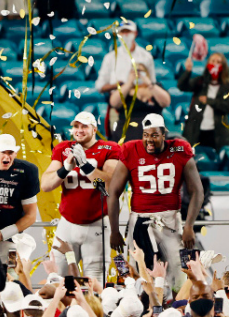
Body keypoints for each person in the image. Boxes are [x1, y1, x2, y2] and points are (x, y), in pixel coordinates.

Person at [107, 113, 204, 290]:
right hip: (140, 219)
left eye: (154, 135)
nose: (149, 140)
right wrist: (114, 230)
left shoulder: (179, 149)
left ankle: (178, 308)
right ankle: (144, 309)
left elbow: (197, 190)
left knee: (179, 269)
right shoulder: (130, 150)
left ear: (164, 135)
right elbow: (113, 192)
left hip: (171, 219)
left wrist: (189, 226)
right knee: (140, 270)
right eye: (145, 135)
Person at [41, 112, 120, 284]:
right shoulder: (63, 148)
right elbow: (46, 185)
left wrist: (86, 167)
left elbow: (110, 186)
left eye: (84, 126)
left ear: (94, 129)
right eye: (76, 126)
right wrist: (65, 168)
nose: (79, 130)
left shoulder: (109, 148)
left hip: (97, 224)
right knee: (57, 280)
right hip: (67, 224)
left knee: (95, 282)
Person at [95, 20, 156, 138]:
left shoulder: (146, 56)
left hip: (141, 106)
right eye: (122, 32)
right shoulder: (110, 58)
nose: (126, 35)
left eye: (128, 31)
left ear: (135, 33)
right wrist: (119, 85)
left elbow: (152, 82)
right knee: (117, 140)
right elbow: (100, 86)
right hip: (117, 105)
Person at [0, 134, 40, 261]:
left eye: (11, 152)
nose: (7, 156)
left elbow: (31, 215)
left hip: (11, 239)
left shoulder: (27, 171)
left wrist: (3, 234)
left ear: (16, 153)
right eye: (3, 152)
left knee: (14, 273)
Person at [108, 63, 171, 142]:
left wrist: (149, 84)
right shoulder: (124, 88)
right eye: (134, 71)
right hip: (127, 130)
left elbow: (166, 102)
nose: (137, 74)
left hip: (153, 131)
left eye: (140, 71)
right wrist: (129, 83)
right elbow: (114, 103)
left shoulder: (156, 87)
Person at [179, 53, 229, 151]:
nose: (215, 65)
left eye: (218, 62)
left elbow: (226, 107)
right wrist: (187, 71)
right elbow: (182, 86)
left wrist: (209, 101)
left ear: (223, 66)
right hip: (196, 130)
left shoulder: (226, 86)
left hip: (216, 133)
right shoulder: (200, 82)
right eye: (212, 61)